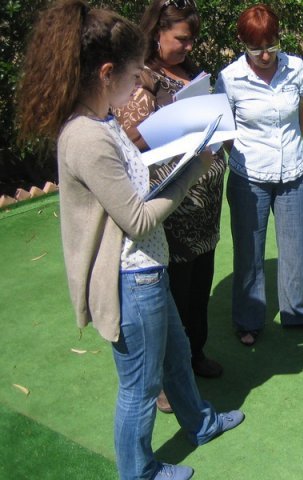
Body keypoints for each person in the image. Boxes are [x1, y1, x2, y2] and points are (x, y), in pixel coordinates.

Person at [16, 2, 244, 479]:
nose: (139, 79)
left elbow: (132, 188)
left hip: (147, 268)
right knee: (139, 389)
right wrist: (193, 168)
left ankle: (200, 424)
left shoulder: (103, 122)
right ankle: (139, 472)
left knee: (178, 356)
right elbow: (138, 220)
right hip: (129, 277)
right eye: (132, 71)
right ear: (106, 73)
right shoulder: (86, 137)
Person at [115, 0, 226, 414]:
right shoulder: (142, 78)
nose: (187, 45)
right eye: (181, 38)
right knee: (173, 294)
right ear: (157, 33)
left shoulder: (188, 72)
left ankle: (195, 354)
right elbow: (127, 141)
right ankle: (165, 379)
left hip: (205, 210)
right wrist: (177, 120)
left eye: (191, 38)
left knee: (199, 289)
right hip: (171, 210)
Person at [214, 4, 303, 346]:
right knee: (249, 252)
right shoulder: (230, 78)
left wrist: (289, 147)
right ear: (243, 43)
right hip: (248, 177)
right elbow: (225, 128)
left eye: (271, 45)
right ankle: (248, 320)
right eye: (256, 47)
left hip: (294, 171)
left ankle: (299, 313)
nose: (265, 55)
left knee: (294, 248)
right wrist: (247, 160)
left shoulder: (295, 68)